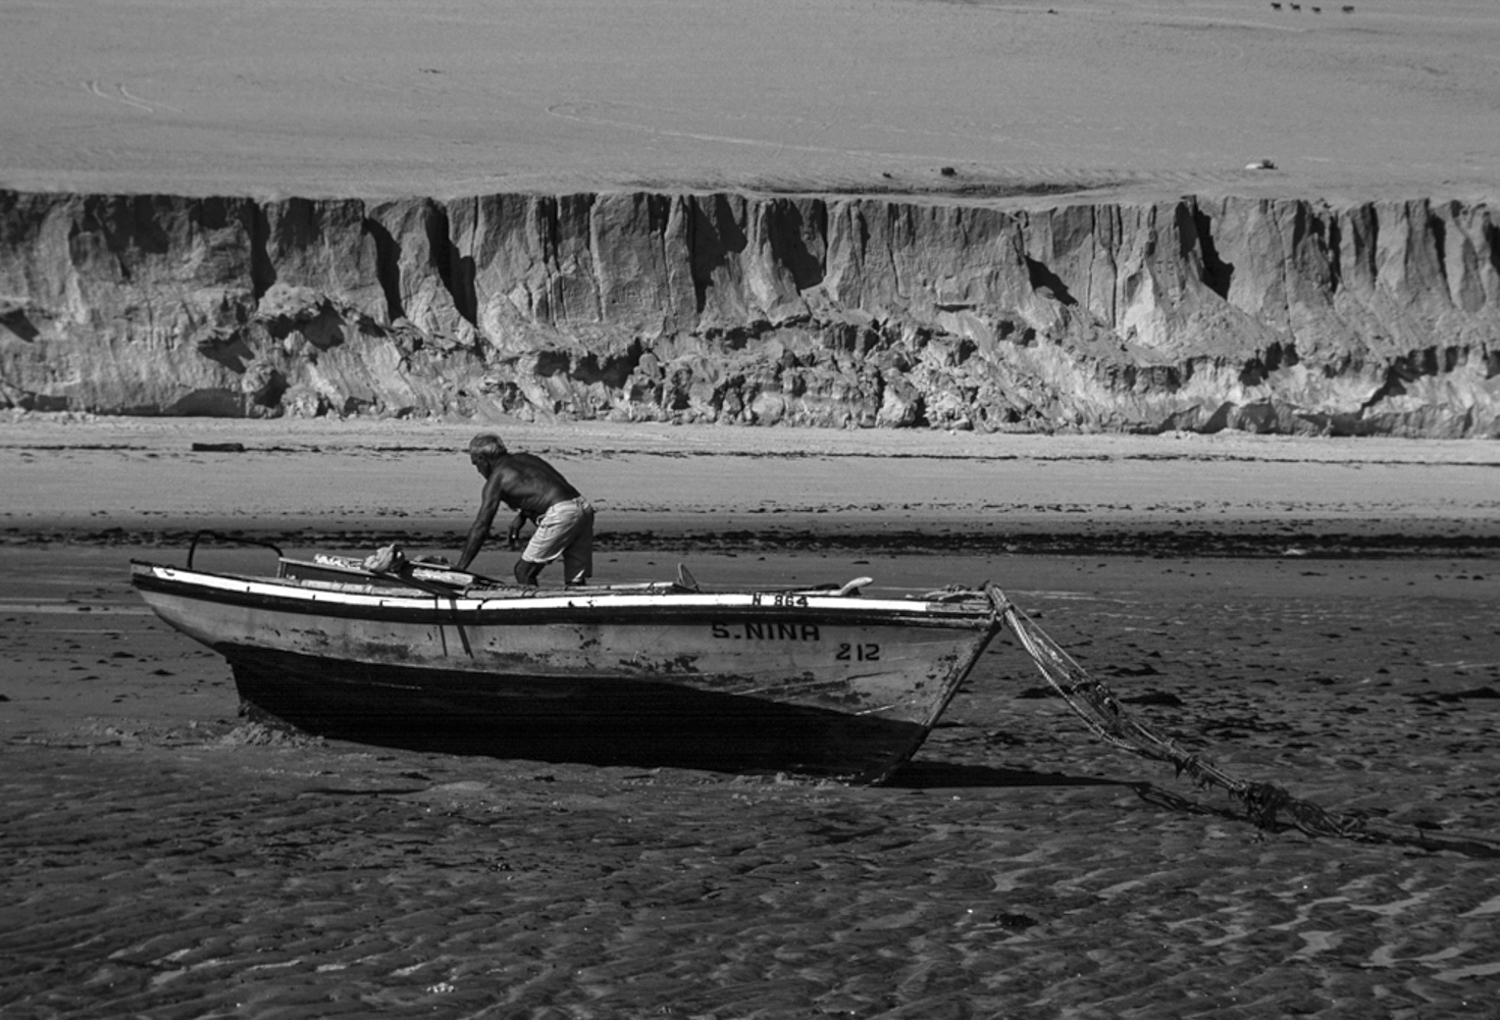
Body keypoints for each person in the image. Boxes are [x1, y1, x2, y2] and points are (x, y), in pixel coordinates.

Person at [456, 433, 595, 587]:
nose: (478, 470)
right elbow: (542, 488)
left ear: (483, 459)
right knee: (575, 580)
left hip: (562, 514)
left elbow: (481, 527)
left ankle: (536, 609)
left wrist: (461, 568)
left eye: (476, 464)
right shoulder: (526, 459)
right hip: (583, 508)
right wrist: (521, 517)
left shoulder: (496, 480)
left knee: (523, 571)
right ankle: (577, 608)